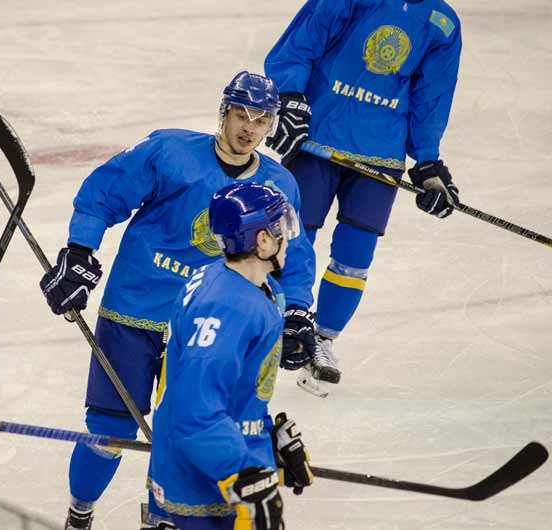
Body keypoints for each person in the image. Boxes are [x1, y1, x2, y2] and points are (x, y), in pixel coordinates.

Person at [38, 71, 317, 530]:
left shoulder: (278, 184)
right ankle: (79, 512)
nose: (249, 128)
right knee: (111, 432)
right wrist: (79, 250)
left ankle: (165, 515)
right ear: (223, 112)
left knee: (187, 428)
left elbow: (296, 251)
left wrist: (297, 312)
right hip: (136, 309)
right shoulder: (171, 151)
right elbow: (103, 192)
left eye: (262, 120)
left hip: (207, 322)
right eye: (241, 115)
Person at [264, 0, 463, 396]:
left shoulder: (443, 22)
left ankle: (322, 341)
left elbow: (432, 96)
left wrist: (426, 161)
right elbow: (301, 44)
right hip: (319, 138)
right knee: (289, 240)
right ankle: (276, 327)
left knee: (355, 258)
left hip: (381, 152)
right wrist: (290, 95)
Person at [147, 182, 314, 530]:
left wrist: (263, 436)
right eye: (280, 227)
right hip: (208, 482)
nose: (288, 236)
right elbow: (195, 411)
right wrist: (241, 472)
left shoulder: (232, 281)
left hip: (218, 459)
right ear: (263, 241)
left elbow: (230, 391)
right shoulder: (227, 308)